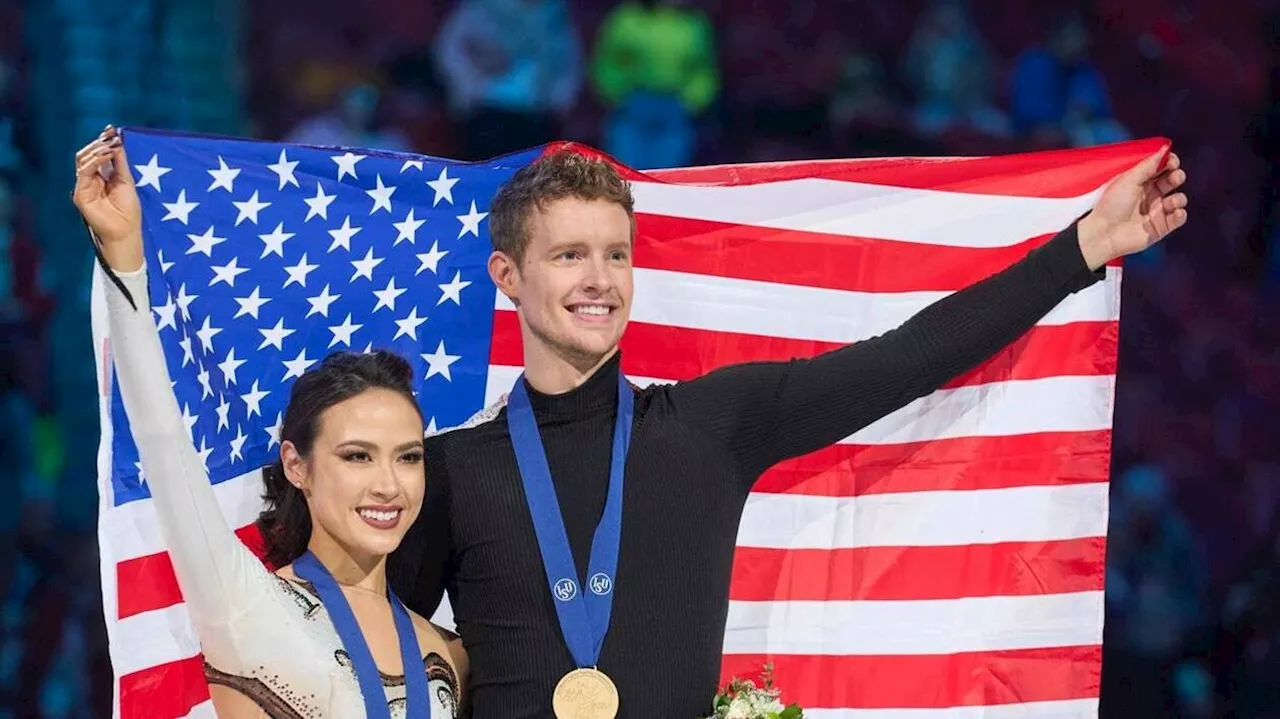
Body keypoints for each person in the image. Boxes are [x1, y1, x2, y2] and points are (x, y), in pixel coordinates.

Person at [386, 145, 1189, 718]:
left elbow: (904, 360)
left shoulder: (712, 425)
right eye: (568, 255)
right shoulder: (449, 469)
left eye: (616, 255)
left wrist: (1087, 245)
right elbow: (374, 642)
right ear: (508, 275)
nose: (599, 280)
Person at [73, 126, 467, 717]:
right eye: (356, 455)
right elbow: (162, 441)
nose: (389, 483)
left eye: (407, 456)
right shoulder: (246, 603)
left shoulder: (447, 651)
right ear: (296, 465)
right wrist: (126, 259)